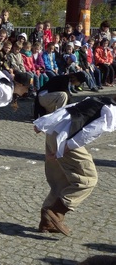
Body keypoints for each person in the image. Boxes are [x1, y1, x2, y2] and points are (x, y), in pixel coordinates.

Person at [33, 96, 116, 236]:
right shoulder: (112, 112)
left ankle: (46, 221)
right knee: (88, 178)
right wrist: (64, 149)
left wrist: (43, 123)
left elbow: (67, 110)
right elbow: (90, 132)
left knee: (62, 180)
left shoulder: (99, 100)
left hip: (54, 132)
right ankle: (56, 212)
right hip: (66, 139)